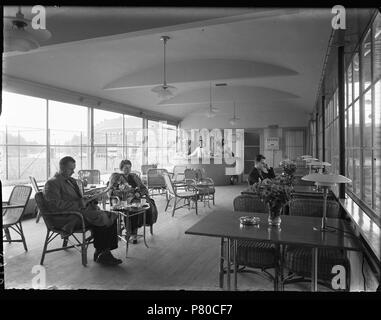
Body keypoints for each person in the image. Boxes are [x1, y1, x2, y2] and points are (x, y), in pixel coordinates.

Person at [43, 156, 122, 266]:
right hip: (66, 218)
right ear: (62, 167)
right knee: (101, 217)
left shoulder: (70, 181)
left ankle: (103, 252)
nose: (73, 172)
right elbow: (54, 206)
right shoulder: (52, 183)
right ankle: (102, 253)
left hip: (78, 212)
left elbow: (76, 198)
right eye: (71, 169)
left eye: (73, 168)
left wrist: (88, 199)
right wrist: (79, 203)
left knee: (111, 215)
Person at [108, 160, 158, 244]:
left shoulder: (134, 176)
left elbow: (144, 188)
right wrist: (122, 192)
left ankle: (134, 231)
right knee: (131, 209)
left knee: (143, 206)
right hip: (121, 200)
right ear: (121, 168)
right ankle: (131, 233)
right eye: (125, 167)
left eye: (129, 167)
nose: (128, 169)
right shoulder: (116, 177)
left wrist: (139, 193)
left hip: (135, 198)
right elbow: (109, 192)